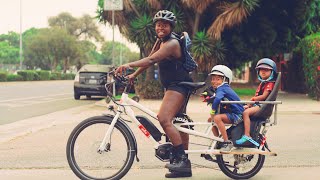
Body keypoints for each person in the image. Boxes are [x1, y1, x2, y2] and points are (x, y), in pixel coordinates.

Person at [115, 10, 193, 178]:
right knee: (178, 123)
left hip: (178, 86)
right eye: (158, 24)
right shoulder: (161, 41)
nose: (160, 27)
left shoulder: (171, 43)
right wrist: (133, 76)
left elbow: (150, 60)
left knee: (164, 118)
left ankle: (182, 160)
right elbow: (151, 58)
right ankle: (181, 166)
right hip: (173, 86)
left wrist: (128, 65)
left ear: (171, 27)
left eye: (164, 25)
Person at [236, 58, 277, 146]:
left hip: (262, 106)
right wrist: (250, 104)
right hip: (258, 105)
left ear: (272, 72)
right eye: (261, 70)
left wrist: (253, 99)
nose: (263, 72)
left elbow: (264, 96)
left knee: (246, 113)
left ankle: (247, 135)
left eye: (266, 70)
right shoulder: (263, 83)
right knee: (241, 109)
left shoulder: (270, 84)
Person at [207, 65, 245, 152]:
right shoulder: (222, 88)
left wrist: (213, 112)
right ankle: (218, 141)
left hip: (238, 115)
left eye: (218, 79)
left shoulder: (222, 88)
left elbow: (217, 99)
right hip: (232, 113)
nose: (214, 81)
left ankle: (226, 142)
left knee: (216, 118)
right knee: (210, 120)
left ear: (226, 80)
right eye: (213, 79)